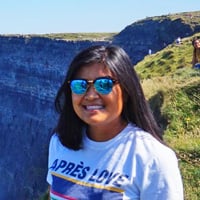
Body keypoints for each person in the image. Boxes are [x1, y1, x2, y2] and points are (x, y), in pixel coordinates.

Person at [46, 45, 184, 200]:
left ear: (125, 91)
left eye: (104, 84)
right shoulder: (60, 142)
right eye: (80, 85)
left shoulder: (152, 158)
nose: (91, 95)